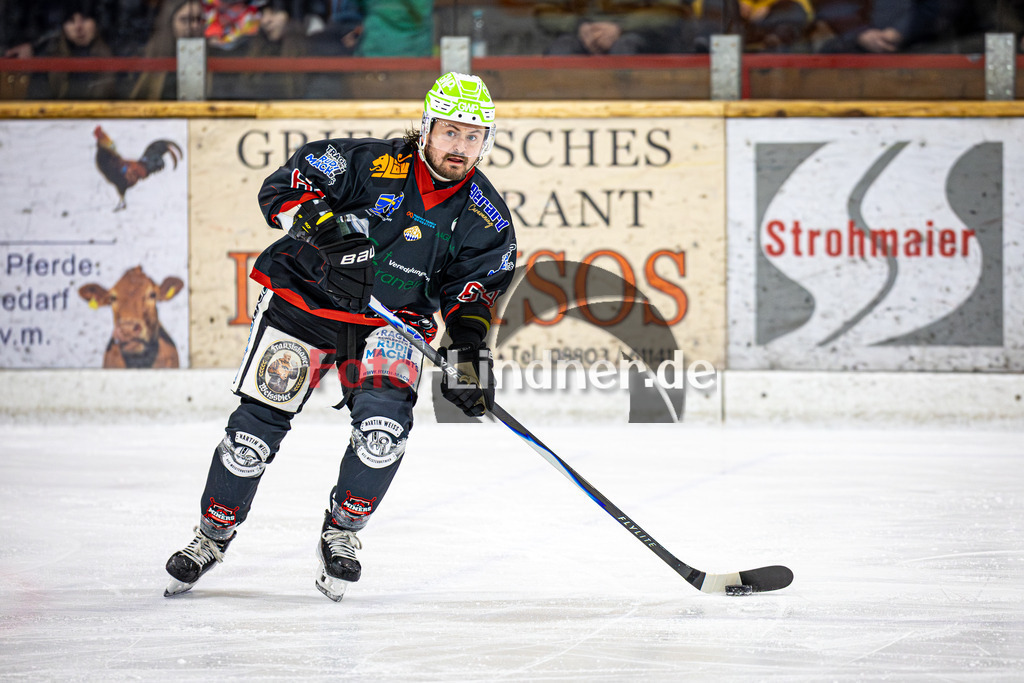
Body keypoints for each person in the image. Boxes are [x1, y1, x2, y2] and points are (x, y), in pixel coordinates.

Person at [164, 72, 518, 602]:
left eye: (473, 137)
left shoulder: (485, 215)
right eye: (450, 132)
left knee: (382, 434)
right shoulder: (361, 161)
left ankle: (342, 533)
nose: (459, 147)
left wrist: (468, 354)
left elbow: (473, 290)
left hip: (389, 323)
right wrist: (328, 234)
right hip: (305, 305)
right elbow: (283, 189)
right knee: (251, 438)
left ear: (486, 142)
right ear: (425, 129)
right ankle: (211, 537)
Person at [534, 0, 692, 55]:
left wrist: (621, 28)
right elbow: (546, 12)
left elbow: (670, 12)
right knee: (562, 49)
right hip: (581, 35)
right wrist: (579, 27)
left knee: (625, 47)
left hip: (641, 36)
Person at [37, 0, 119, 99]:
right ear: (63, 27)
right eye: (71, 20)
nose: (78, 27)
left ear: (96, 23)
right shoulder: (48, 58)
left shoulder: (116, 56)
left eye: (84, 18)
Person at [129, 0, 205, 100]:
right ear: (170, 22)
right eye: (185, 20)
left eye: (199, 20)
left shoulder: (212, 58)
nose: (194, 26)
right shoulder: (149, 56)